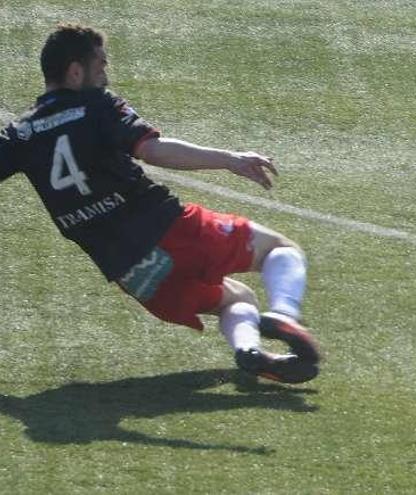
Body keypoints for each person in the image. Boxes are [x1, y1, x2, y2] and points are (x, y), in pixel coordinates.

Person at [0, 24, 321, 383]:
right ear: (76, 71)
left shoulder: (20, 135)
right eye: (101, 65)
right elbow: (152, 149)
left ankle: (249, 351)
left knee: (236, 298)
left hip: (133, 275)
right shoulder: (96, 105)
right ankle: (283, 314)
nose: (105, 75)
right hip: (170, 232)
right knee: (280, 250)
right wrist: (229, 158)